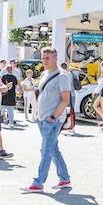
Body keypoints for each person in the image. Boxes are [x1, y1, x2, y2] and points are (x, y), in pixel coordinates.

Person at [21, 46, 72, 193]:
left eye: (47, 58)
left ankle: (38, 182)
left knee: (46, 150)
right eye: (43, 58)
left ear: (55, 58)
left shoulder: (62, 76)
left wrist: (53, 117)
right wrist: (37, 113)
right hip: (43, 118)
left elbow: (65, 99)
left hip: (53, 120)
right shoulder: (44, 74)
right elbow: (41, 94)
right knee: (52, 149)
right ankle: (64, 178)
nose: (45, 61)